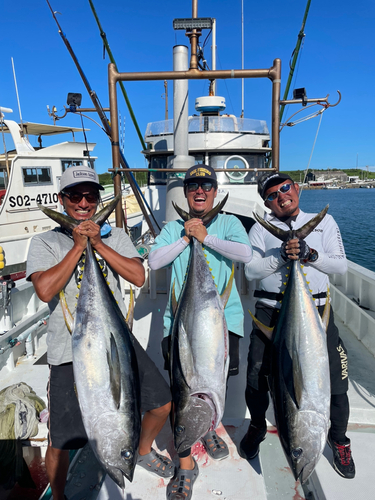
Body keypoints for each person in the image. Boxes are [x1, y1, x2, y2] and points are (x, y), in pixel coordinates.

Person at [26, 166, 174, 500]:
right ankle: (60, 496)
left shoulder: (116, 235)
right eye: (75, 195)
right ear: (62, 199)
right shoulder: (45, 241)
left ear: (97, 200)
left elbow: (138, 276)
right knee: (60, 439)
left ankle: (142, 450)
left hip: (116, 341)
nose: (83, 202)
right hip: (69, 349)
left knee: (162, 403)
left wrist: (97, 243)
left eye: (90, 196)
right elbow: (46, 291)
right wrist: (78, 247)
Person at [240, 171, 355, 479]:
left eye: (285, 188)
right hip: (270, 311)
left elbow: (340, 266)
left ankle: (339, 440)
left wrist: (309, 254)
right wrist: (282, 255)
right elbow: (251, 271)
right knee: (256, 377)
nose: (281, 196)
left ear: (297, 189)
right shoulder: (261, 231)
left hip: (316, 312)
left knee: (337, 380)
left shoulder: (325, 223)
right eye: (272, 195)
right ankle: (257, 426)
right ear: (267, 202)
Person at [148, 164, 253, 500]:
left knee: (216, 380)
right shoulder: (173, 227)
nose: (199, 191)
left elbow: (245, 254)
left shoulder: (229, 223)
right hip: (179, 326)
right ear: (187, 191)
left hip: (223, 322)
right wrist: (187, 237)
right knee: (183, 388)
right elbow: (154, 261)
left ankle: (207, 429)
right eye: (193, 185)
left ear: (214, 189)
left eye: (205, 185)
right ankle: (185, 465)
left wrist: (206, 237)